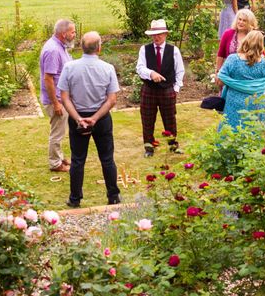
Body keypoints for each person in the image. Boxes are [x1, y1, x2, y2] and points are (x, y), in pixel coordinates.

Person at [58, 31, 121, 208]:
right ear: (99, 48)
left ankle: (75, 199)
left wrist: (78, 118)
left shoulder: (70, 67)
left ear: (81, 47)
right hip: (101, 118)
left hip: (77, 116)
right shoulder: (107, 68)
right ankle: (113, 196)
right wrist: (94, 118)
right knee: (107, 158)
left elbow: (64, 97)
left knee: (77, 159)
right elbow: (112, 99)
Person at [136, 19, 185, 157]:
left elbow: (180, 71)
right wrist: (151, 73)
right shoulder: (144, 49)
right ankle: (149, 147)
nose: (156, 37)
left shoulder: (173, 50)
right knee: (147, 120)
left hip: (167, 90)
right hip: (149, 90)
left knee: (170, 119)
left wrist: (176, 88)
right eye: (154, 34)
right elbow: (140, 68)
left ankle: (173, 145)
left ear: (165, 34)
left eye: (159, 34)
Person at [217, 30, 265, 131]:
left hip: (234, 102)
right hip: (256, 102)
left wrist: (231, 83)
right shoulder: (264, 64)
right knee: (253, 131)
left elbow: (220, 80)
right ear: (261, 45)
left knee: (231, 129)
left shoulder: (233, 60)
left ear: (245, 41)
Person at [39, 19, 75, 173]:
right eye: (72, 32)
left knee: (61, 130)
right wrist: (56, 103)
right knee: (57, 133)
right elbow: (48, 79)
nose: (74, 35)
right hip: (57, 100)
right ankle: (55, 163)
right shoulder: (53, 50)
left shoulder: (61, 46)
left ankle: (59, 157)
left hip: (62, 98)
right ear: (63, 33)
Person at [216, 9, 259, 76]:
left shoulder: (254, 36)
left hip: (248, 72)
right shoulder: (228, 34)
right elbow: (221, 54)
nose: (241, 22)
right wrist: (218, 72)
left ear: (250, 23)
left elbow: (261, 55)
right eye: (239, 19)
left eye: (244, 20)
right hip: (229, 71)